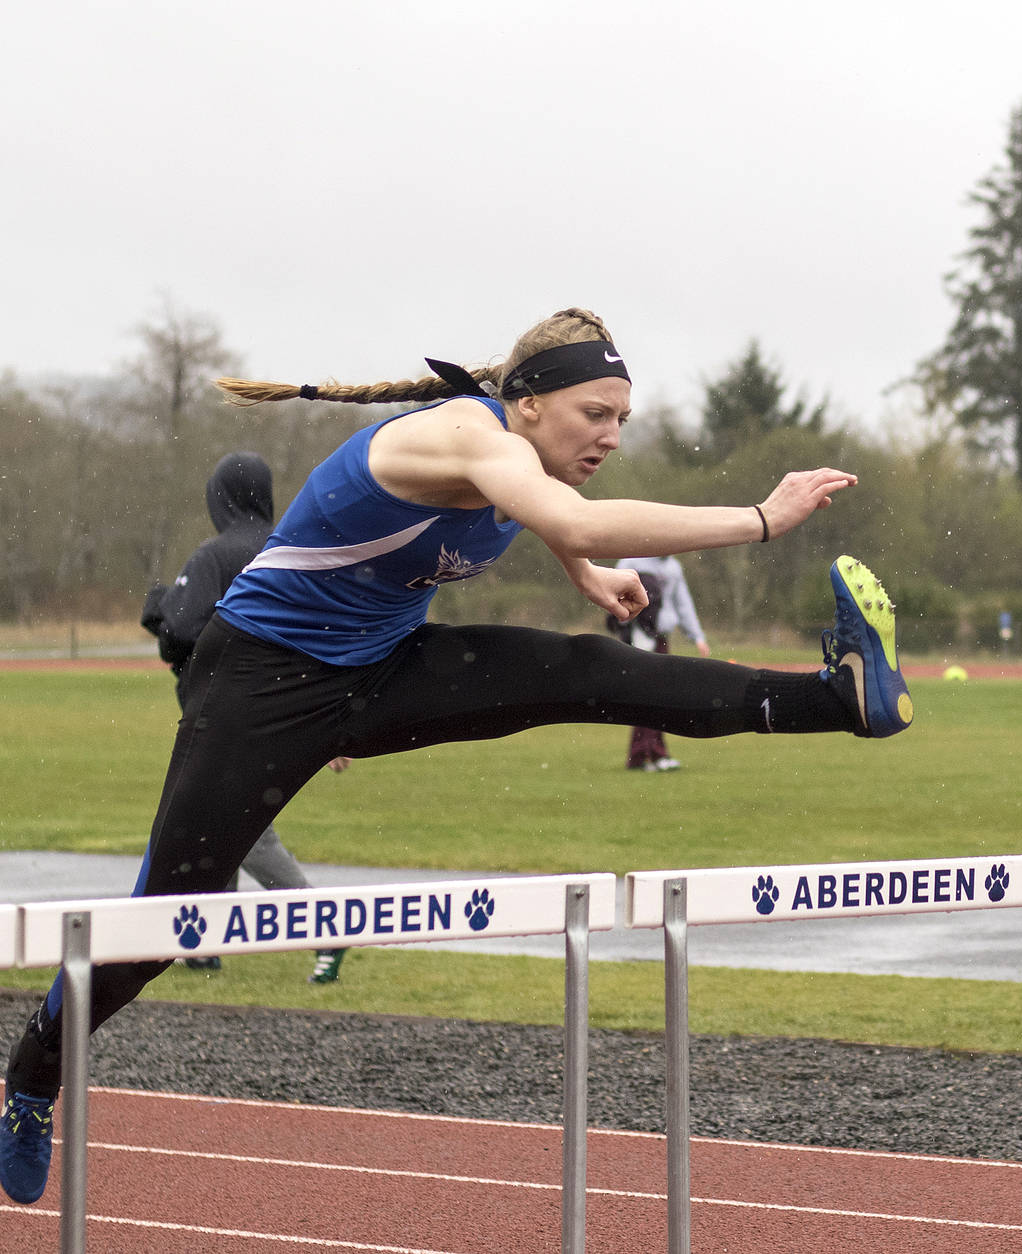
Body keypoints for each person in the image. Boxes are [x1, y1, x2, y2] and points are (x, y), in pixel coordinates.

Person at [0, 308, 913, 1205]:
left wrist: (579, 573)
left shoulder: (517, 455)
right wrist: (760, 517)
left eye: (623, 419)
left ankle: (836, 698)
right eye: (596, 413)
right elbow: (572, 513)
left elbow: (557, 517)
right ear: (525, 403)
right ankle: (33, 1077)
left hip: (385, 668)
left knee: (587, 668)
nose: (612, 436)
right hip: (260, 686)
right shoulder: (461, 438)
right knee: (169, 916)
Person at [141, 450, 350, 983]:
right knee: (216, 824)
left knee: (247, 831)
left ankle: (325, 930)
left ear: (221, 498)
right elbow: (324, 635)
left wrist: (162, 610)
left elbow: (182, 635)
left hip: (229, 712)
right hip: (291, 707)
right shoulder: (295, 547)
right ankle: (205, 943)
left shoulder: (215, 553)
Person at [607, 553, 711, 771]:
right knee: (647, 696)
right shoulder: (631, 561)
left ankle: (650, 755)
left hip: (660, 639)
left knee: (658, 696)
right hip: (639, 637)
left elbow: (683, 603)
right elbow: (611, 592)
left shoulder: (673, 567)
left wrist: (697, 636)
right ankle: (645, 755)